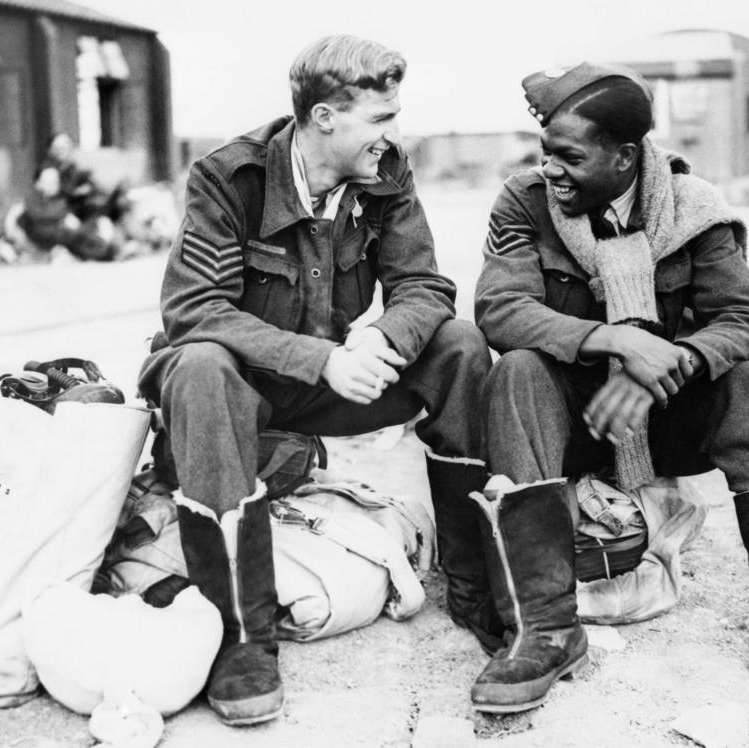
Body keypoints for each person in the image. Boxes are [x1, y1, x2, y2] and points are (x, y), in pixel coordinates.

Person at [468, 62, 749, 713]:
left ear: (624, 158)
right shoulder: (525, 201)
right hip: (573, 422)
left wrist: (661, 368)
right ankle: (543, 629)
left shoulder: (693, 207)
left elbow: (747, 323)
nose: (550, 170)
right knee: (518, 372)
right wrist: (616, 341)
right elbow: (500, 309)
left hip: (665, 419)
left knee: (748, 381)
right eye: (545, 154)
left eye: (568, 156)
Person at [137, 35, 491, 726]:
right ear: (325, 117)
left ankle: (476, 582)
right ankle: (242, 635)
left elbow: (423, 284)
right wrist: (322, 358)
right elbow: (193, 310)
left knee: (458, 345)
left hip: (331, 382)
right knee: (203, 362)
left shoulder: (386, 171)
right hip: (237, 386)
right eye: (381, 119)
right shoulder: (228, 176)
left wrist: (385, 335)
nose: (393, 136)